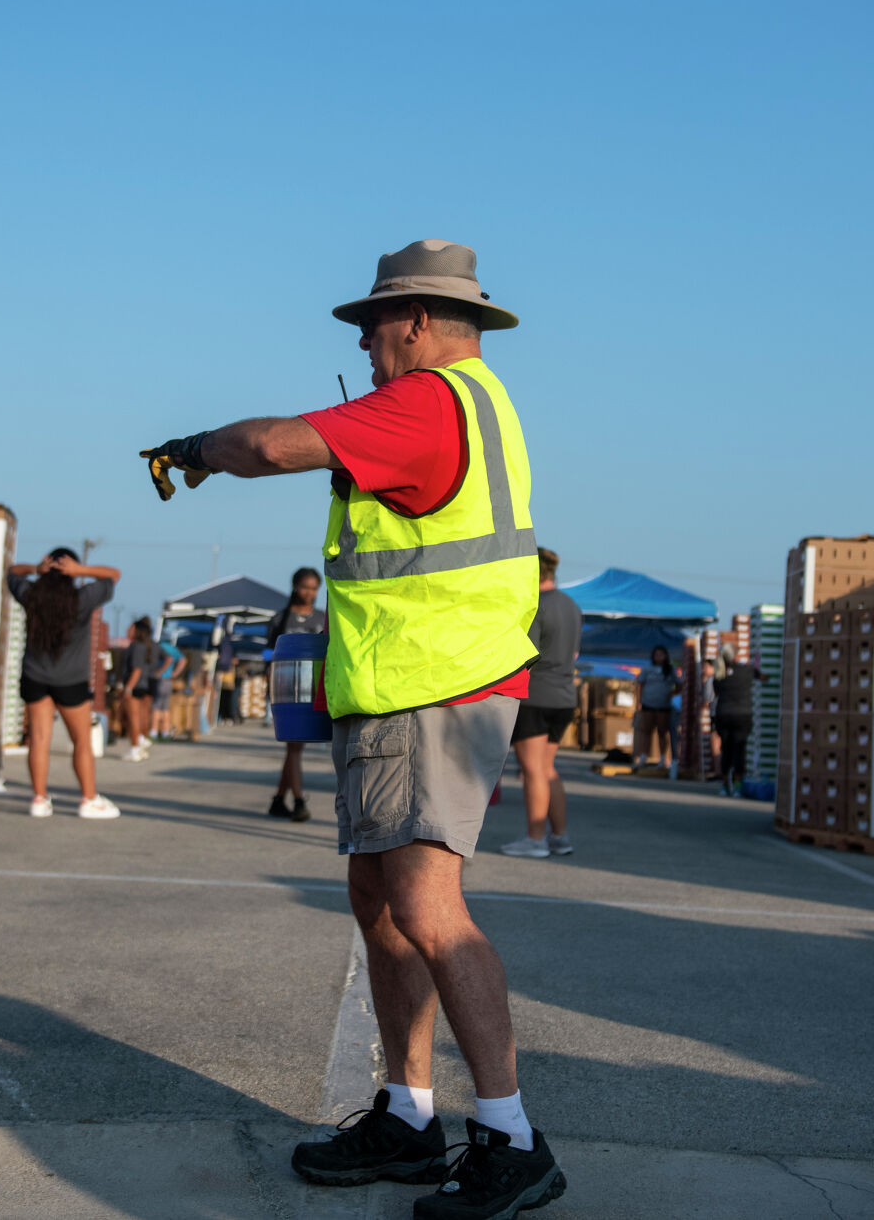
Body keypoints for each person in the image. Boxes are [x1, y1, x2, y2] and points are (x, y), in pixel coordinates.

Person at [140, 240, 566, 1217]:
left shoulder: (424, 401)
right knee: (378, 899)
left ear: (414, 319)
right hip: (410, 689)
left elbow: (270, 446)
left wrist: (191, 448)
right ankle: (410, 1116)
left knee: (424, 905)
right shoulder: (479, 406)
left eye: (370, 325)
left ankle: (508, 1137)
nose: (364, 342)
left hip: (434, 689)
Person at [5, 547, 123, 820]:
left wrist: (35, 569)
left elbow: (11, 572)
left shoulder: (31, 595)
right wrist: (81, 571)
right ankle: (88, 799)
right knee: (81, 740)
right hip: (71, 681)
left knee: (39, 739)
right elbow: (113, 575)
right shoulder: (81, 599)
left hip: (35, 677)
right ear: (71, 571)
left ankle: (39, 799)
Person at [501, 547, 578, 858]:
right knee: (547, 769)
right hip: (564, 696)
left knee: (532, 770)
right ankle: (559, 837)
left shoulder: (536, 607)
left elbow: (525, 655)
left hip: (536, 696)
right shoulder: (572, 606)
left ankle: (535, 840)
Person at [264, 566, 327, 821]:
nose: (309, 593)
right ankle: (299, 801)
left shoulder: (323, 618)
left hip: (314, 689)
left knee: (294, 747)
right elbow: (269, 654)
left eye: (313, 589)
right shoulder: (280, 619)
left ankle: (279, 800)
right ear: (294, 587)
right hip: (287, 691)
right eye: (305, 587)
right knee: (294, 747)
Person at [713, 654, 757, 797]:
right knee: (739, 750)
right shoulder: (746, 671)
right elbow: (760, 675)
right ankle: (737, 785)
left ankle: (725, 785)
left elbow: (715, 692)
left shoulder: (719, 675)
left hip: (724, 715)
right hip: (742, 715)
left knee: (726, 750)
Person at [634, 645, 677, 770]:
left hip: (663, 706)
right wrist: (639, 701)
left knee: (662, 732)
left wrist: (672, 694)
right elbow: (639, 684)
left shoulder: (670, 670)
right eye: (656, 655)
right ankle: (643, 756)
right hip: (648, 704)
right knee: (646, 731)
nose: (659, 657)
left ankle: (663, 758)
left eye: (661, 655)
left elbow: (679, 684)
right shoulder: (647, 669)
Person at [120, 618, 157, 760]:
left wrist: (128, 688)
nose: (127, 631)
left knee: (133, 718)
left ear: (137, 631)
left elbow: (136, 670)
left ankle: (135, 747)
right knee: (141, 716)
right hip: (143, 685)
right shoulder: (145, 646)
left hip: (135, 685)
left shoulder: (135, 646)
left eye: (130, 628)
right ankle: (140, 743)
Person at [150, 628, 186, 740]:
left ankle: (154, 732)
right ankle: (165, 732)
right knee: (165, 707)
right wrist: (175, 673)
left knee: (156, 706)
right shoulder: (173, 648)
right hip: (169, 681)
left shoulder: (161, 647)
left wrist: (159, 672)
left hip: (161, 680)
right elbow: (183, 660)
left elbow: (169, 660)